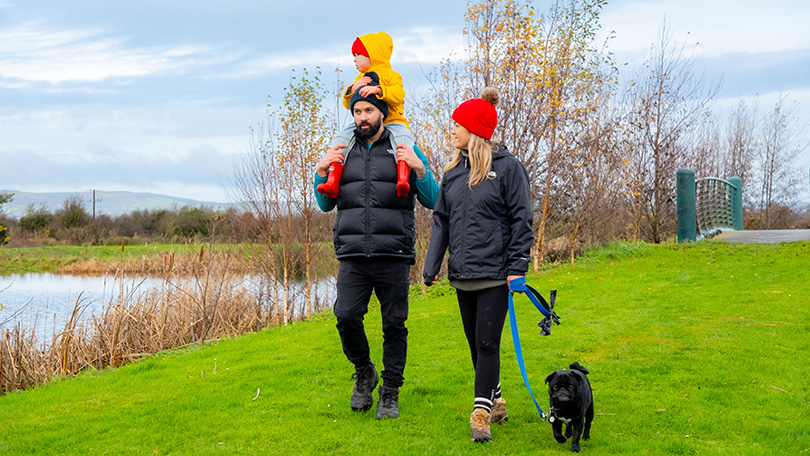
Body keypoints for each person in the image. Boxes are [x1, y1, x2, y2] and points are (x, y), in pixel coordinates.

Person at [314, 83, 439, 420]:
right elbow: (325, 203)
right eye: (357, 112)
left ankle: (390, 391)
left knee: (394, 326)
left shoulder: (404, 146)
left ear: (382, 113)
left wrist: (420, 169)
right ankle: (364, 371)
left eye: (368, 111)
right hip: (353, 254)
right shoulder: (343, 149)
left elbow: (433, 199)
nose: (362, 117)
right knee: (346, 316)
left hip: (393, 252)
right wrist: (321, 170)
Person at [423, 87, 533, 442]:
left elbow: (522, 219)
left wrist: (518, 266)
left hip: (497, 275)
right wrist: (431, 266)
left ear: (474, 130)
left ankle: (481, 413)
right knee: (475, 344)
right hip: (464, 274)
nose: (452, 130)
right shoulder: (453, 173)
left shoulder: (508, 168)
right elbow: (441, 220)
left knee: (487, 343)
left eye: (457, 125)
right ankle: (497, 400)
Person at [317, 31, 415, 199]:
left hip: (393, 121)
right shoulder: (360, 78)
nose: (354, 59)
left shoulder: (391, 76)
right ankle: (332, 182)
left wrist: (380, 90)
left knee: (403, 141)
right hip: (366, 125)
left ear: (373, 55)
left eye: (358, 55)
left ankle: (403, 180)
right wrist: (352, 90)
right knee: (341, 138)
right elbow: (349, 104)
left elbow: (399, 95)